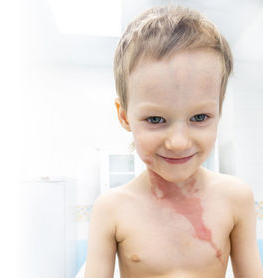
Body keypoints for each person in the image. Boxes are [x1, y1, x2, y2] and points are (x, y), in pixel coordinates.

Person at [84, 5, 263, 278]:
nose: (178, 142)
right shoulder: (111, 209)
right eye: (156, 119)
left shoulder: (235, 199)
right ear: (124, 116)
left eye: (200, 116)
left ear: (219, 111)